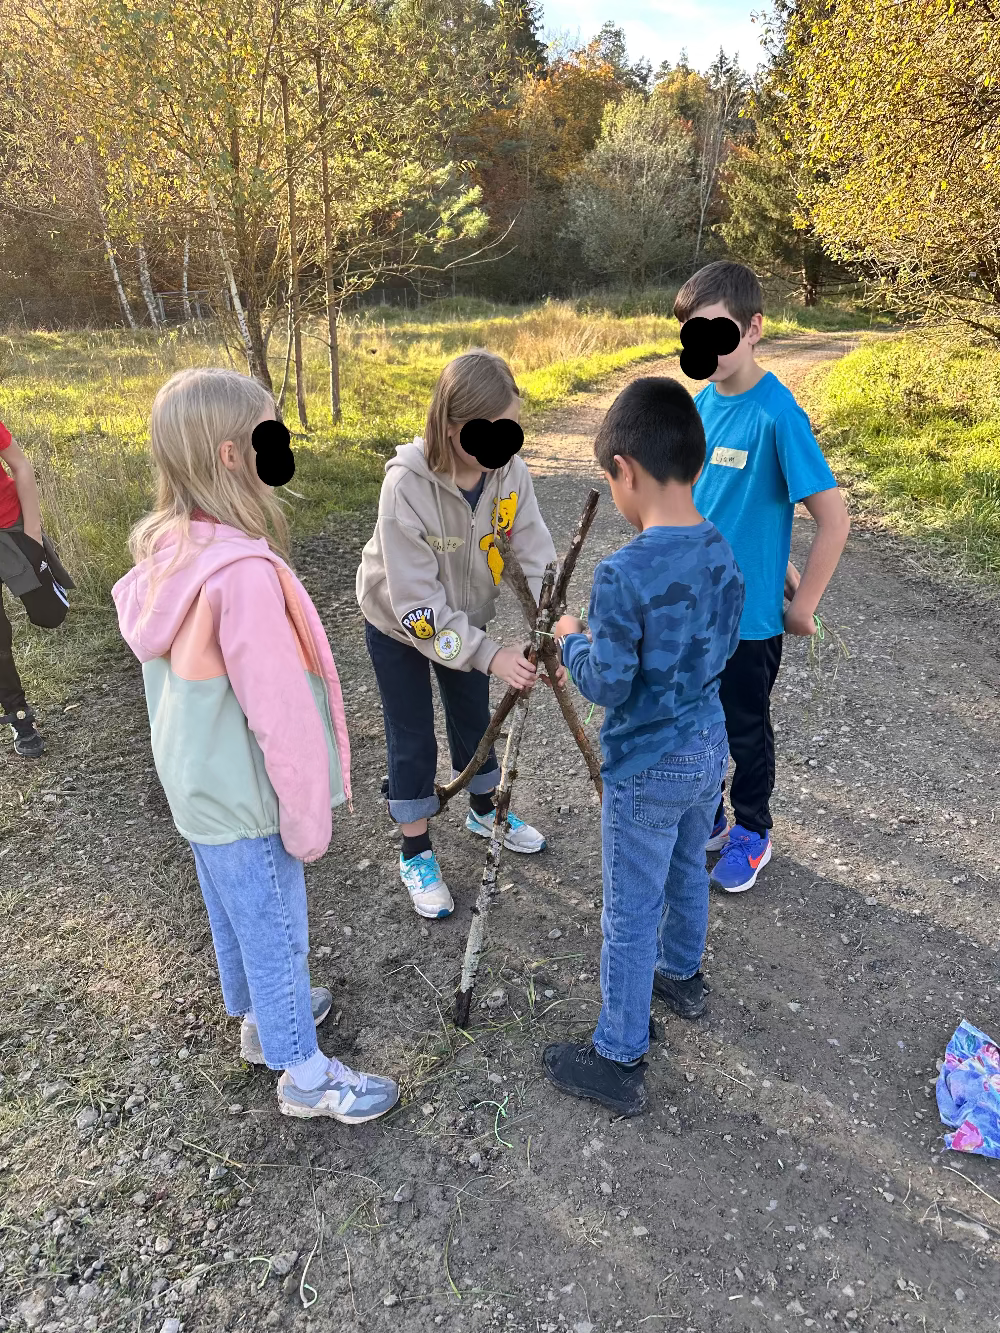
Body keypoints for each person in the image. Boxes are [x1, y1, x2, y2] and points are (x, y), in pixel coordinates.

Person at [112, 367, 398, 1124]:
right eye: (272, 433)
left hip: (197, 789)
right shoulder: (239, 574)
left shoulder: (169, 555)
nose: (285, 446)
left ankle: (260, 1021)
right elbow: (280, 713)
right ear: (233, 454)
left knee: (232, 908)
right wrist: (308, 814)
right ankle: (304, 1072)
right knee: (274, 923)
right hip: (245, 795)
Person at [542, 377, 745, 1117]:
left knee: (629, 910)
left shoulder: (623, 572)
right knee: (690, 866)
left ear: (624, 469)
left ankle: (619, 1054)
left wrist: (571, 638)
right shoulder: (720, 545)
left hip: (645, 764)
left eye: (609, 482)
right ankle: (683, 976)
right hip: (707, 744)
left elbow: (610, 681)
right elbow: (723, 639)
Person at [357, 349, 558, 921]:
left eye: (510, 426)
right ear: (451, 425)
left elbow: (534, 549)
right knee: (412, 730)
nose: (504, 440)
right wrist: (489, 654)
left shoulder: (508, 472)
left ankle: (482, 806)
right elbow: (418, 609)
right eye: (489, 428)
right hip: (401, 623)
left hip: (466, 614)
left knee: (474, 714)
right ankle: (415, 849)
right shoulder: (405, 488)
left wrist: (557, 623)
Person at [674, 261, 850, 893]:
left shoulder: (777, 414)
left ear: (753, 329)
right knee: (698, 722)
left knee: (744, 727)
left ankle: (752, 829)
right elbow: (708, 503)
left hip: (750, 623)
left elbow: (834, 519)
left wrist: (801, 604)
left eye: (718, 331)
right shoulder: (699, 405)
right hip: (696, 614)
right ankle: (712, 817)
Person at [0, 420, 74, 758]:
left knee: (50, 615)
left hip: (12, 526)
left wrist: (32, 534)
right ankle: (20, 718)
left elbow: (20, 463)